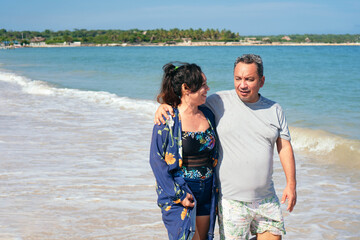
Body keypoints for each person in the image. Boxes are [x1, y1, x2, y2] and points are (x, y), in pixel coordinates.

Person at [154, 54, 297, 240]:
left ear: (262, 81)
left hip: (266, 198)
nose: (242, 85)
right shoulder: (218, 102)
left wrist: (291, 184)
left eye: (249, 79)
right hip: (231, 201)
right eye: (238, 78)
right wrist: (164, 105)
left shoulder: (275, 109)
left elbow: (284, 147)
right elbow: (187, 103)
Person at [149, 62, 219, 240]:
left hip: (207, 190)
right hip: (183, 189)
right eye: (202, 85)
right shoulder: (168, 119)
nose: (207, 88)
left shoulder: (208, 115)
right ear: (186, 88)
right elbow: (156, 161)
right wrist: (178, 195)